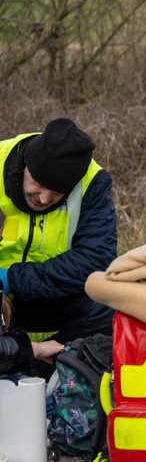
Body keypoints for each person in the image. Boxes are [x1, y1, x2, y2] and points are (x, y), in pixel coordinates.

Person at [0, 118, 117, 347]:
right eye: (38, 184)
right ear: (24, 164)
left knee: (110, 301)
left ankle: (51, 367)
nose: (43, 199)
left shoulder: (92, 183)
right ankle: (12, 358)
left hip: (44, 295)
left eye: (56, 193)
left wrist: (12, 278)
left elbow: (96, 260)